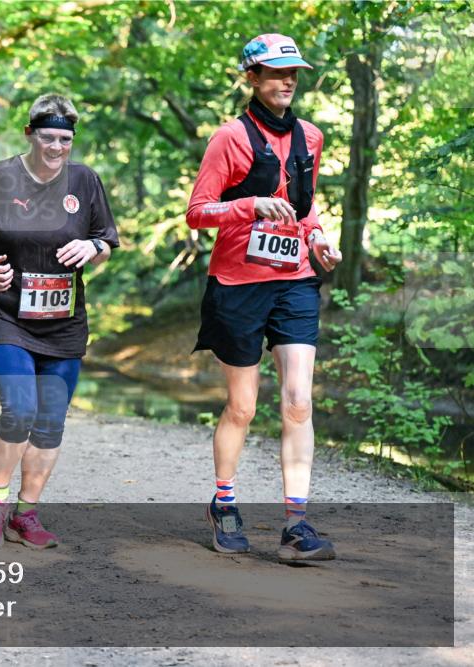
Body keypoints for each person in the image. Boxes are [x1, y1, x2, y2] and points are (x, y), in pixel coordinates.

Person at [186, 34, 343, 561]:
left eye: (294, 71)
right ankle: (224, 503)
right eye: (276, 72)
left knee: (298, 402)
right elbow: (198, 211)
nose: (288, 80)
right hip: (238, 283)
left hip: (295, 279)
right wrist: (249, 206)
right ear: (251, 78)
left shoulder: (311, 137)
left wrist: (319, 237)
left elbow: (306, 205)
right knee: (243, 406)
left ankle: (296, 525)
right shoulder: (229, 138)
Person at [0, 94, 118, 550]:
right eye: (48, 137)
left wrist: (92, 249)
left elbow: (106, 239)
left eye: (65, 139)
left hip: (63, 321)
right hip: (5, 316)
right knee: (20, 409)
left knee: (50, 422)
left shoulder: (85, 181)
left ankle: (26, 514)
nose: (57, 147)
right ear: (29, 134)